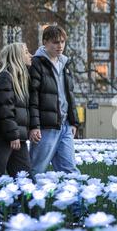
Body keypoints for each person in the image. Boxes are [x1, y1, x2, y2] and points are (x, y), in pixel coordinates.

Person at [28, 25, 80, 177]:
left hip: (65, 126)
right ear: (45, 42)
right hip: (45, 127)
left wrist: (73, 122)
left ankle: (74, 201)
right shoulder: (37, 64)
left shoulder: (65, 64)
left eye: (63, 42)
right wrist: (34, 126)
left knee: (70, 171)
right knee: (36, 171)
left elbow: (69, 95)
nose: (60, 46)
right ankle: (28, 200)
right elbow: (33, 98)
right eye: (56, 42)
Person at [0, 43, 32, 178]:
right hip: (2, 139)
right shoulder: (5, 77)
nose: (30, 55)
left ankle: (26, 200)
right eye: (27, 52)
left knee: (25, 181)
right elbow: (4, 109)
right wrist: (13, 135)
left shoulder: (18, 78)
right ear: (17, 56)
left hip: (16, 138)